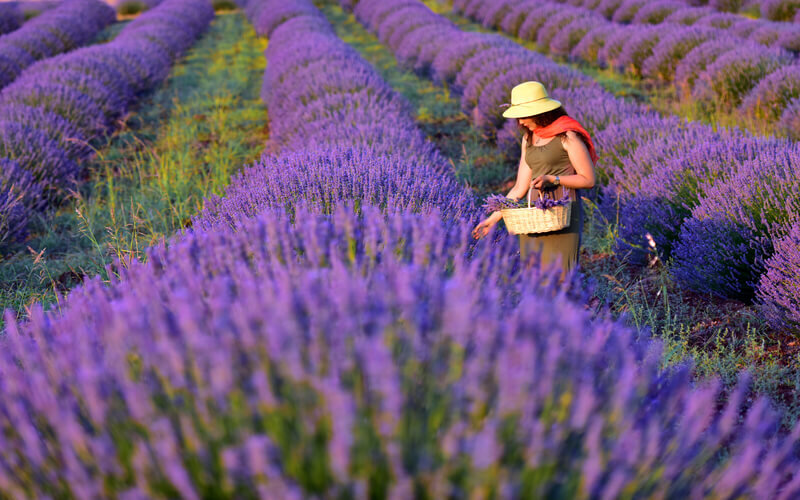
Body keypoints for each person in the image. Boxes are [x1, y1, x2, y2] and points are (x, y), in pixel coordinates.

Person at [472, 81, 597, 275]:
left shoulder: (568, 136)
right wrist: (493, 218)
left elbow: (588, 179)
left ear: (540, 113)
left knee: (561, 276)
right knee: (533, 276)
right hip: (534, 216)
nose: (520, 122)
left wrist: (553, 179)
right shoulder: (528, 138)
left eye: (523, 116)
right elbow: (519, 188)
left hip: (561, 213)